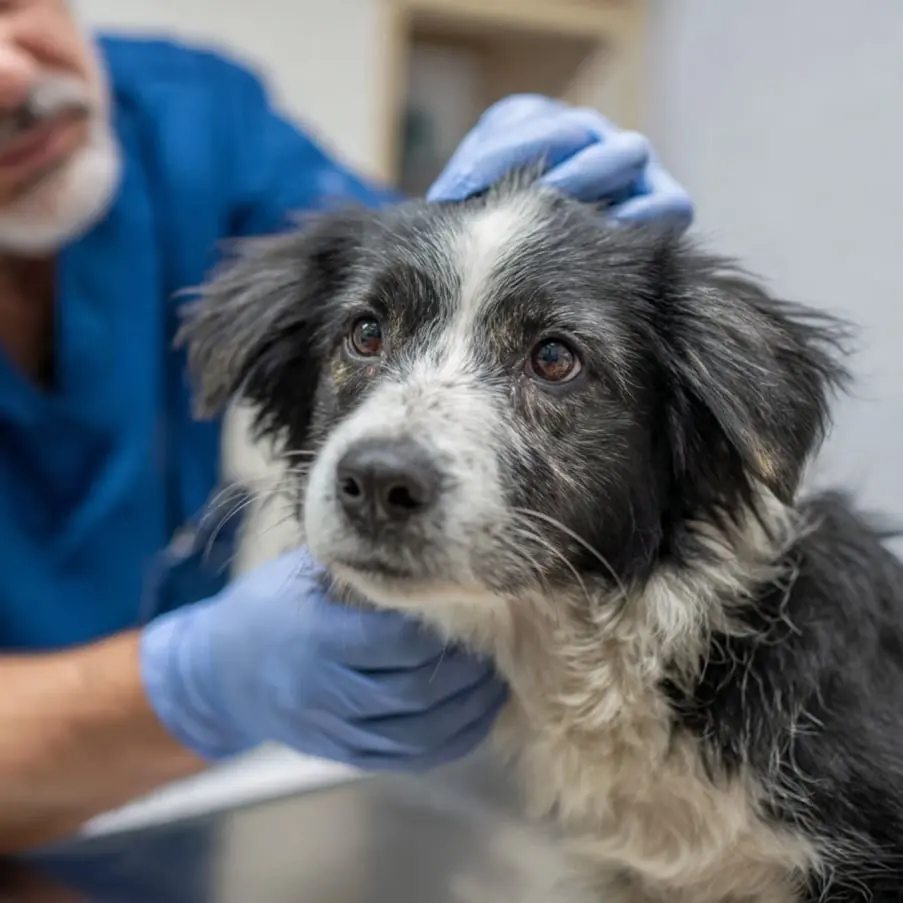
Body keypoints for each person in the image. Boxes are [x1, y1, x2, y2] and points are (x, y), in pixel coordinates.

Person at [0, 0, 694, 852]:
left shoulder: (184, 117)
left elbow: (412, 278)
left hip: (169, 806)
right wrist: (195, 683)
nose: (11, 74)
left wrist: (523, 223)